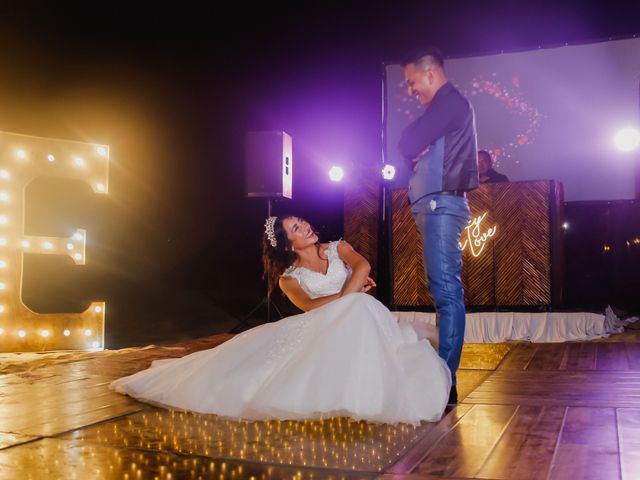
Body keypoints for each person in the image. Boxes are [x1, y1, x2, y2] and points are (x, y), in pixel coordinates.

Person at [110, 215, 451, 425]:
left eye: (302, 222)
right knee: (357, 309)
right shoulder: (290, 278)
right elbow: (312, 307)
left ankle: (372, 381)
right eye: (297, 228)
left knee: (361, 311)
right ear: (289, 244)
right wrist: (354, 294)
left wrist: (355, 289)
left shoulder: (337, 247)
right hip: (324, 324)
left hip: (359, 316)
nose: (306, 227)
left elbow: (363, 266)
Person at [398, 48, 479, 405]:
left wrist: (411, 148)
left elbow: (407, 141)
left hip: (440, 203)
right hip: (434, 203)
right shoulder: (443, 108)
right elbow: (412, 144)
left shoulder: (450, 103)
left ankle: (445, 382)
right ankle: (443, 378)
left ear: (430, 74)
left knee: (446, 293)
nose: (411, 90)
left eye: (412, 82)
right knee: (442, 292)